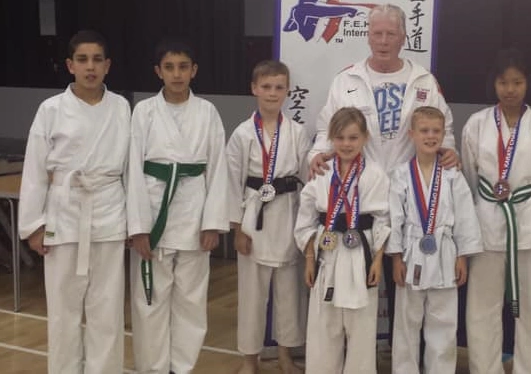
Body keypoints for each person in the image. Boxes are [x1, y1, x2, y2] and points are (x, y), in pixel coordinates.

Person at [308, 3, 459, 345]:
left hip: (411, 193)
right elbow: (325, 129)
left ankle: (400, 354)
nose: (384, 40)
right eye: (377, 32)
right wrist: (317, 154)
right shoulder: (347, 79)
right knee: (357, 271)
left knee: (402, 279)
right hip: (362, 191)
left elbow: (443, 127)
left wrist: (449, 149)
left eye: (391, 33)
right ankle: (359, 354)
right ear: (367, 35)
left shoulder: (423, 80)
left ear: (404, 37)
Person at [18, 30, 130, 374]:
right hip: (63, 216)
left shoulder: (122, 107)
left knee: (107, 309)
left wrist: (134, 221)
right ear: (70, 65)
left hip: (109, 213)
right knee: (64, 311)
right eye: (82, 60)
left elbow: (130, 170)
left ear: (108, 65)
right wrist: (33, 225)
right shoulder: (50, 109)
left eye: (97, 60)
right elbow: (35, 169)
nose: (90, 67)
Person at [127, 38, 229, 373]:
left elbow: (218, 169)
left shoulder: (207, 112)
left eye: (183, 67)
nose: (177, 74)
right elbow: (132, 170)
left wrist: (212, 222)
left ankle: (181, 367)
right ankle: (153, 368)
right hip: (154, 215)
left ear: (194, 70)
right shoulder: (143, 111)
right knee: (150, 302)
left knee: (191, 302)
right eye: (169, 67)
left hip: (194, 215)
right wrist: (138, 228)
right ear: (158, 72)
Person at [461, 48, 531, 374]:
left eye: (517, 82)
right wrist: (493, 198)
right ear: (495, 84)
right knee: (482, 309)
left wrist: (517, 195)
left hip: (529, 224)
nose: (510, 89)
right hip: (488, 220)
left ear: (527, 84)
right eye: (503, 82)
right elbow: (472, 176)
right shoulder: (476, 124)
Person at [226, 60, 309, 374]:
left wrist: (305, 226)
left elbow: (306, 182)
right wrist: (237, 228)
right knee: (251, 296)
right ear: (254, 89)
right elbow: (232, 182)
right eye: (266, 87)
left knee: (289, 295)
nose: (272, 94)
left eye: (278, 87)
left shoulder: (298, 133)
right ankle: (250, 358)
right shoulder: (243, 134)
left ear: (287, 91)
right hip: (253, 219)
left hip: (288, 215)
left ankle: (286, 354)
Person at [295, 107, 391, 373]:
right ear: (331, 139)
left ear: (364, 138)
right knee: (323, 327)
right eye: (340, 138)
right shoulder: (322, 173)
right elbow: (305, 220)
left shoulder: (374, 173)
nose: (346, 144)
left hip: (361, 256)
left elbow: (384, 219)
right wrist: (310, 259)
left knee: (361, 329)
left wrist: (377, 262)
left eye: (353, 137)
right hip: (328, 254)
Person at [387, 106, 482, 374]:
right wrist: (396, 257)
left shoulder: (453, 175)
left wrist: (462, 256)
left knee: (443, 325)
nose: (430, 136)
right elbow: (394, 218)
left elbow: (465, 217)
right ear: (412, 134)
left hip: (445, 254)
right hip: (410, 253)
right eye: (424, 131)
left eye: (436, 131)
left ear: (443, 134)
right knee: (406, 325)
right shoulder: (401, 173)